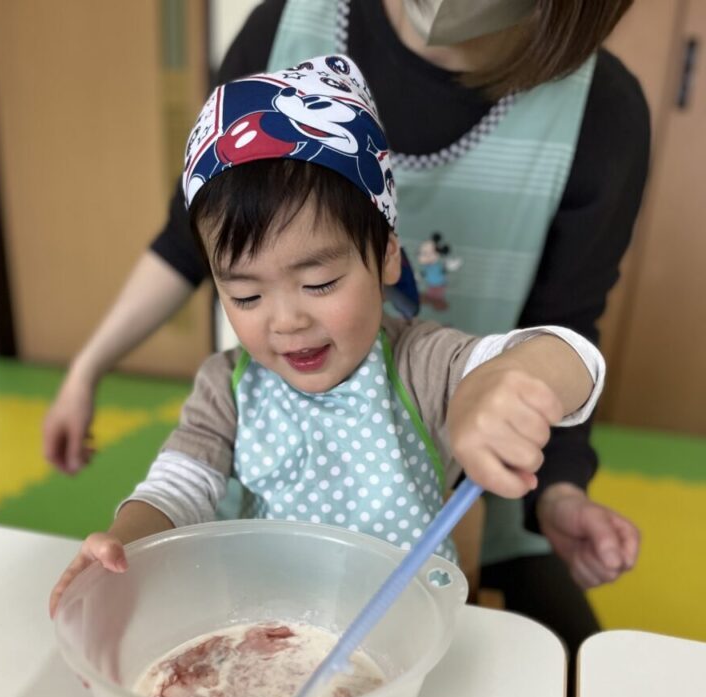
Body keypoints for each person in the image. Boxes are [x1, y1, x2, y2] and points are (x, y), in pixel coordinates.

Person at [44, 0, 646, 655]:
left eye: (320, 283)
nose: (287, 320)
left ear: (386, 257)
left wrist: (496, 383)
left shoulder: (419, 364)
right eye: (245, 294)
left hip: (404, 644)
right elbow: (178, 488)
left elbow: (569, 350)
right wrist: (124, 545)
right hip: (270, 632)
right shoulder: (228, 386)